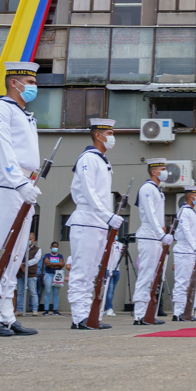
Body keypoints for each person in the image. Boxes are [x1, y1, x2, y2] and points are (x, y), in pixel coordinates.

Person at [0, 61, 41, 337]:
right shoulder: (0, 108)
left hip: (22, 185)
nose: (34, 88)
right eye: (31, 82)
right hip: (5, 184)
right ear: (15, 82)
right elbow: (3, 149)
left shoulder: (23, 114)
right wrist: (19, 181)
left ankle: (6, 315)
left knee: (13, 256)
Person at [67, 118, 122, 330]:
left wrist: (105, 217)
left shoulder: (101, 160)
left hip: (98, 222)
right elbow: (89, 192)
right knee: (82, 271)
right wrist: (106, 214)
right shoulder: (88, 158)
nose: (112, 137)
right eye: (109, 133)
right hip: (88, 219)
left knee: (93, 273)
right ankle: (79, 316)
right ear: (98, 135)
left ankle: (89, 315)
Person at [133, 158, 172, 325]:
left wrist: (161, 235)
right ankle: (140, 315)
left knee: (153, 276)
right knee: (146, 275)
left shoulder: (157, 190)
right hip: (149, 233)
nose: (165, 172)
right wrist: (160, 234)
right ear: (154, 171)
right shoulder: (147, 188)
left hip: (155, 235)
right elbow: (150, 213)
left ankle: (146, 313)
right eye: (162, 168)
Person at [172, 188, 196, 321]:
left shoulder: (192, 212)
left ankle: (183, 311)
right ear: (189, 197)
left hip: (189, 250)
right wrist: (194, 246)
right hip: (184, 249)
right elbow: (185, 230)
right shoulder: (184, 211)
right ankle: (177, 312)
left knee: (187, 282)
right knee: (181, 282)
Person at [15, 232, 41, 316]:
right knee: (20, 292)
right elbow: (16, 257)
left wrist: (25, 264)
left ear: (33, 240)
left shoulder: (37, 249)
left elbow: (36, 260)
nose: (28, 241)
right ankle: (19, 310)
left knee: (33, 292)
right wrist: (21, 266)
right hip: (20, 273)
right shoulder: (20, 248)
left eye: (29, 239)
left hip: (31, 273)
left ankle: (35, 310)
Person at [40, 242, 64, 315]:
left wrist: (52, 265)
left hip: (57, 275)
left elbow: (62, 264)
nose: (55, 248)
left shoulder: (60, 256)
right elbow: (47, 264)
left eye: (56, 247)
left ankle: (55, 309)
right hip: (48, 275)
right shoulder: (47, 255)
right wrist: (57, 265)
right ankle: (46, 310)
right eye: (53, 246)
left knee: (56, 293)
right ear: (51, 247)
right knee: (48, 292)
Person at [104, 240, 123, 317]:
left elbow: (123, 255)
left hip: (117, 269)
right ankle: (109, 308)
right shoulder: (106, 242)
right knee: (109, 290)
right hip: (109, 269)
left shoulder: (120, 244)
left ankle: (106, 308)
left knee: (112, 290)